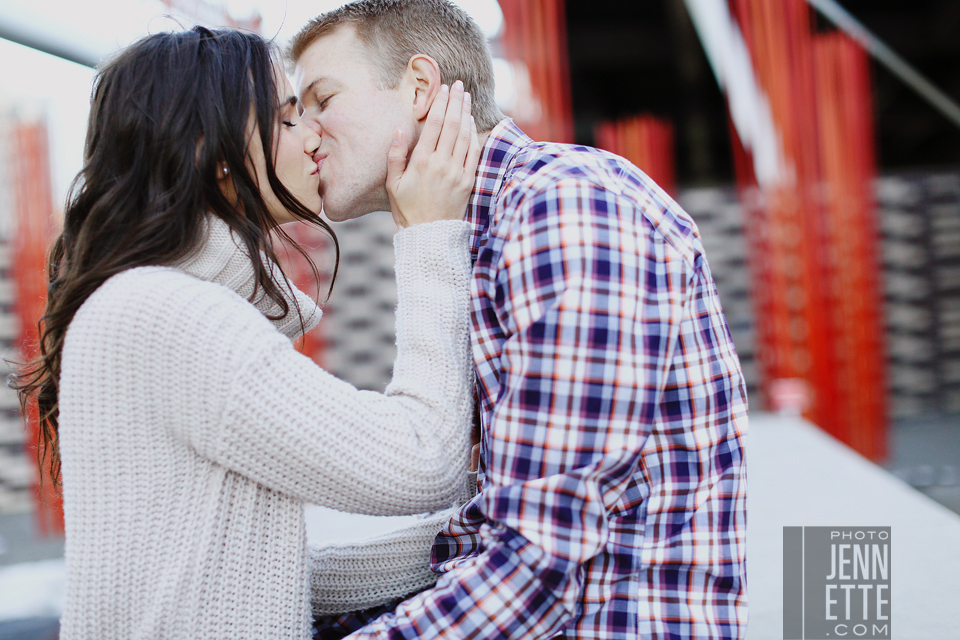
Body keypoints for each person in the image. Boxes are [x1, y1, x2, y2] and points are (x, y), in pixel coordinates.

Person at [289, 1, 749, 639]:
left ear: (419, 88)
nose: (305, 133)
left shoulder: (564, 209)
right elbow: (483, 533)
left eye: (321, 99)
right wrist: (286, 584)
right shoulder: (483, 226)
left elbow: (535, 571)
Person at [14, 27, 483, 640]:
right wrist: (427, 234)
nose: (314, 134)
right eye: (289, 119)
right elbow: (423, 461)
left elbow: (235, 576)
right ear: (217, 153)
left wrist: (482, 538)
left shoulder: (144, 305)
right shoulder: (171, 315)